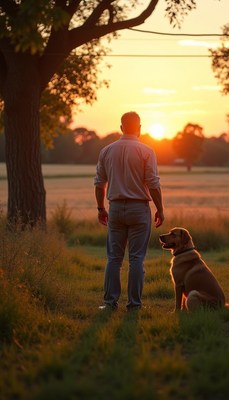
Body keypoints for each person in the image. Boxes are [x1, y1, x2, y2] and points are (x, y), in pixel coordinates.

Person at [94, 111, 164, 311]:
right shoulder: (147, 151)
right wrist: (160, 209)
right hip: (139, 209)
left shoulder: (106, 151)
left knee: (114, 258)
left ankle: (109, 303)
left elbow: (100, 184)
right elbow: (153, 183)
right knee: (136, 258)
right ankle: (134, 304)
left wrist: (101, 208)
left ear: (121, 127)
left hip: (115, 208)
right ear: (139, 128)